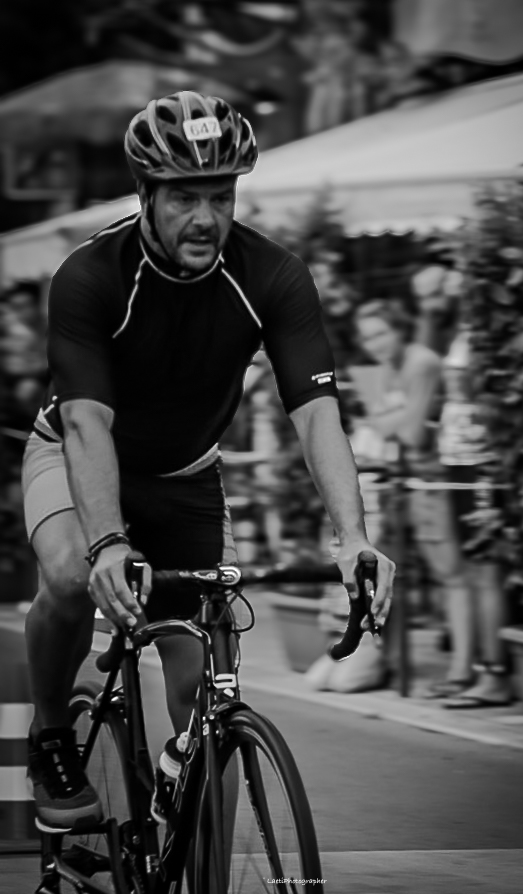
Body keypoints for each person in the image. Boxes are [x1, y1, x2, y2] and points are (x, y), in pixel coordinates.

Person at [22, 92, 396, 833]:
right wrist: (108, 542)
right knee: (67, 575)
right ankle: (52, 736)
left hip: (188, 476)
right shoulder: (90, 276)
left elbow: (316, 412)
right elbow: (88, 422)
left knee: (205, 697)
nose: (205, 217)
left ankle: (186, 818)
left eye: (220, 196)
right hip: (75, 454)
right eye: (184, 198)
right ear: (145, 194)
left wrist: (353, 536)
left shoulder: (272, 276)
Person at [350, 298, 476, 694]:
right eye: (368, 337)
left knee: (450, 574)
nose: (375, 344)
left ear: (400, 328)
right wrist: (391, 419)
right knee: (383, 572)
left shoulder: (420, 362)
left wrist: (386, 419)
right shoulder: (384, 368)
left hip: (432, 480)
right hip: (401, 481)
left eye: (381, 333)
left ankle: (463, 670)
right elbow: (380, 425)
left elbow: (412, 433)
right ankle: (390, 663)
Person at [412, 265, 514, 709]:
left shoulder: (487, 334)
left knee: (486, 570)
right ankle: (476, 669)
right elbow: (425, 362)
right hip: (459, 463)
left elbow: (494, 396)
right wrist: (430, 312)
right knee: (474, 569)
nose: (447, 287)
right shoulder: (457, 331)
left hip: (481, 464)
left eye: (455, 282)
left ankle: (496, 675)